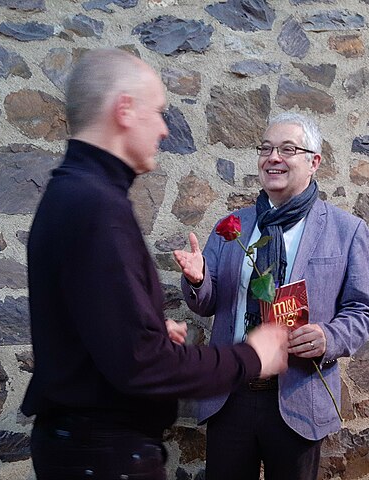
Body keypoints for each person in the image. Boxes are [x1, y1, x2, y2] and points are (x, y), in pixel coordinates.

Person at [21, 48, 288, 480]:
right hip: (103, 455)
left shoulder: (75, 193)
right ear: (124, 109)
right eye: (159, 112)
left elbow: (96, 333)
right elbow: (141, 366)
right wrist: (251, 357)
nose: (165, 130)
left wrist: (141, 328)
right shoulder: (95, 205)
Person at [173, 112, 369, 480]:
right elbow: (207, 302)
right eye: (265, 149)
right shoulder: (231, 226)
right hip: (230, 393)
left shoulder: (347, 231)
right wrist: (199, 279)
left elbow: (360, 310)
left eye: (287, 149)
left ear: (314, 162)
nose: (273, 158)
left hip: (297, 396)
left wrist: (329, 338)